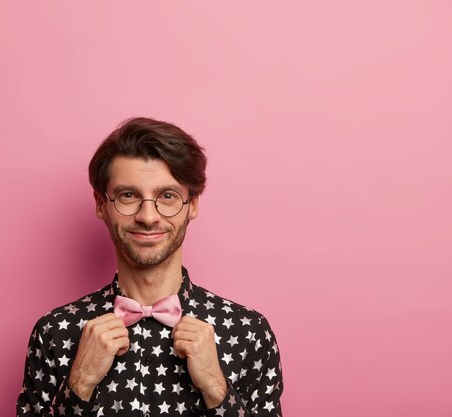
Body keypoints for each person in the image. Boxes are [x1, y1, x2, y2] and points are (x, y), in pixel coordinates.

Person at [16, 117, 283, 416]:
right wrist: (79, 384)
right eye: (128, 195)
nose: (148, 216)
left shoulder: (248, 333)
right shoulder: (54, 333)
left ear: (192, 205)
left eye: (167, 196)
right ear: (101, 204)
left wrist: (215, 387)